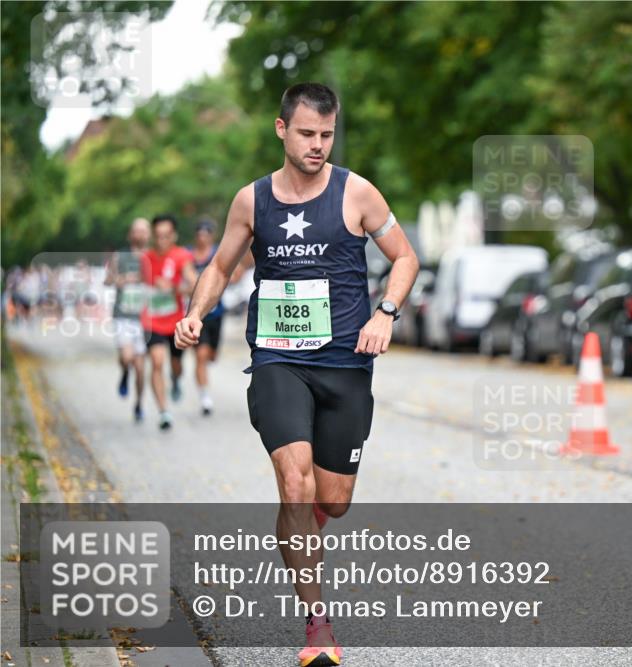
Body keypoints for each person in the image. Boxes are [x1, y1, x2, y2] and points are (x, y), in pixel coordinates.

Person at [175, 82, 419, 667]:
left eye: (327, 135)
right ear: (281, 129)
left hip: (346, 364)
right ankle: (317, 624)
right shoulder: (251, 201)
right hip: (279, 359)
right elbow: (222, 265)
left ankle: (298, 521)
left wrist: (386, 313)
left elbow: (405, 258)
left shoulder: (356, 193)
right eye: (307, 133)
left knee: (331, 503)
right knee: (296, 484)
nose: (317, 145)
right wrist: (195, 313)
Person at [142, 214, 197, 430]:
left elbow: (195, 285)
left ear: (173, 235)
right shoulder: (145, 258)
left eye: (166, 235)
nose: (162, 240)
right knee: (156, 362)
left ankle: (175, 379)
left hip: (175, 322)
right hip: (152, 321)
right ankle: (164, 412)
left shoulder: (181, 256)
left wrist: (173, 288)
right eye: (158, 236)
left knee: (176, 365)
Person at [187, 219, 244, 416]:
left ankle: (204, 387)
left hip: (217, 314)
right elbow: (183, 277)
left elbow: (234, 274)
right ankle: (205, 398)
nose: (202, 237)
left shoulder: (217, 254)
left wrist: (226, 279)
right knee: (201, 356)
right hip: (196, 314)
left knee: (211, 356)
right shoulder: (189, 255)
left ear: (211, 236)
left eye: (206, 233)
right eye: (199, 233)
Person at [104, 218, 151, 421]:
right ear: (130, 234)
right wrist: (119, 280)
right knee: (126, 358)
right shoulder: (120, 256)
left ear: (148, 234)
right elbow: (107, 280)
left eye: (143, 231)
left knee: (141, 369)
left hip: (144, 318)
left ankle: (139, 404)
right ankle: (124, 372)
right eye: (136, 231)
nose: (140, 234)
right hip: (123, 315)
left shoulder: (152, 256)